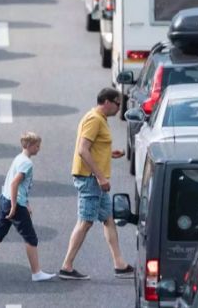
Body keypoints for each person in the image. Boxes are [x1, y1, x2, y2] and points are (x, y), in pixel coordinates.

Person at [59, 88, 133, 280]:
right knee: (85, 222)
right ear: (107, 102)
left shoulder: (100, 119)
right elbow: (83, 150)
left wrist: (108, 153)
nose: (119, 108)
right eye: (118, 103)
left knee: (108, 219)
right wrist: (101, 177)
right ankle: (66, 266)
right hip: (90, 179)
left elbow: (93, 148)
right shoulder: (94, 119)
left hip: (94, 179)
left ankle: (120, 264)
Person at [0, 132, 55, 282]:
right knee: (31, 238)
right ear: (30, 146)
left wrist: (26, 203)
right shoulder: (27, 163)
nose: (39, 149)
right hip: (15, 203)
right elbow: (15, 183)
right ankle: (36, 273)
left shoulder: (19, 158)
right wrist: (14, 206)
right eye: (37, 146)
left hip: (5, 199)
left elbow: (18, 185)